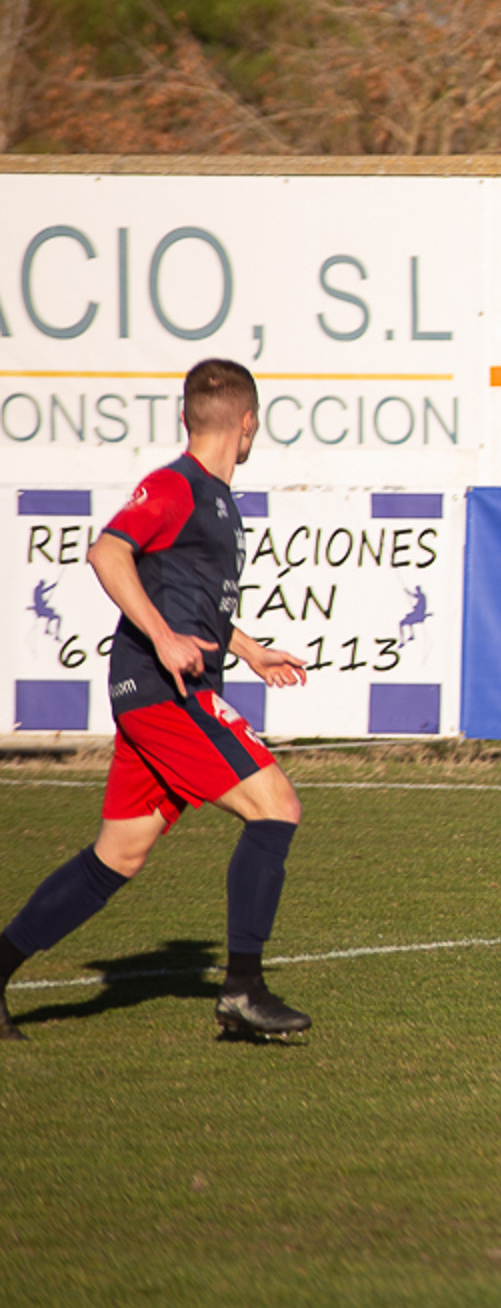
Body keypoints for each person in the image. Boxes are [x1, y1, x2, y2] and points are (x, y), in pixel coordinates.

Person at [0, 359, 316, 1042]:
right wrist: (165, 635)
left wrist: (249, 647)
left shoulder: (216, 499)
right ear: (248, 423)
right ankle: (242, 991)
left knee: (119, 854)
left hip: (163, 690)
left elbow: (191, 597)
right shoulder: (175, 485)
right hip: (162, 692)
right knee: (276, 807)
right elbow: (108, 552)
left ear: (186, 416)